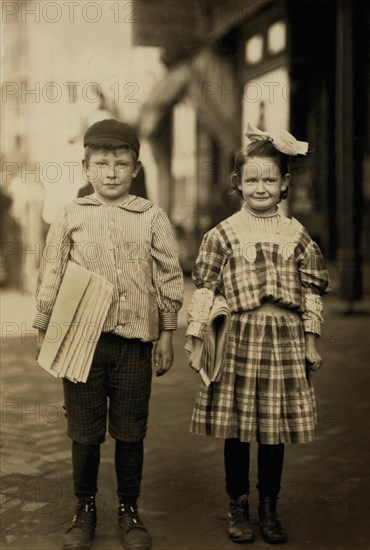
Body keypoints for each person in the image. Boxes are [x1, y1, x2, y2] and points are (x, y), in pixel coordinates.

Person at [33, 119, 184, 550]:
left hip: (135, 343)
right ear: (86, 168)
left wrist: (167, 334)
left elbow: (169, 276)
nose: (112, 172)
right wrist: (45, 326)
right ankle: (84, 510)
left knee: (131, 430)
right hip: (82, 341)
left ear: (135, 169)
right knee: (84, 431)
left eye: (122, 164)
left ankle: (129, 509)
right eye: (102, 163)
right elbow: (51, 273)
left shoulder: (151, 215)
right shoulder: (71, 215)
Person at [186, 124, 331, 545]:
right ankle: (238, 505)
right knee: (237, 428)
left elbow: (312, 289)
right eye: (252, 179)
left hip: (284, 340)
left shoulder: (296, 235)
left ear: (284, 184)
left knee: (272, 430)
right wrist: (197, 340)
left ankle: (270, 506)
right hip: (240, 339)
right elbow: (206, 288)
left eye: (270, 179)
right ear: (238, 183)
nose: (261, 187)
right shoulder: (224, 234)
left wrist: (310, 339)